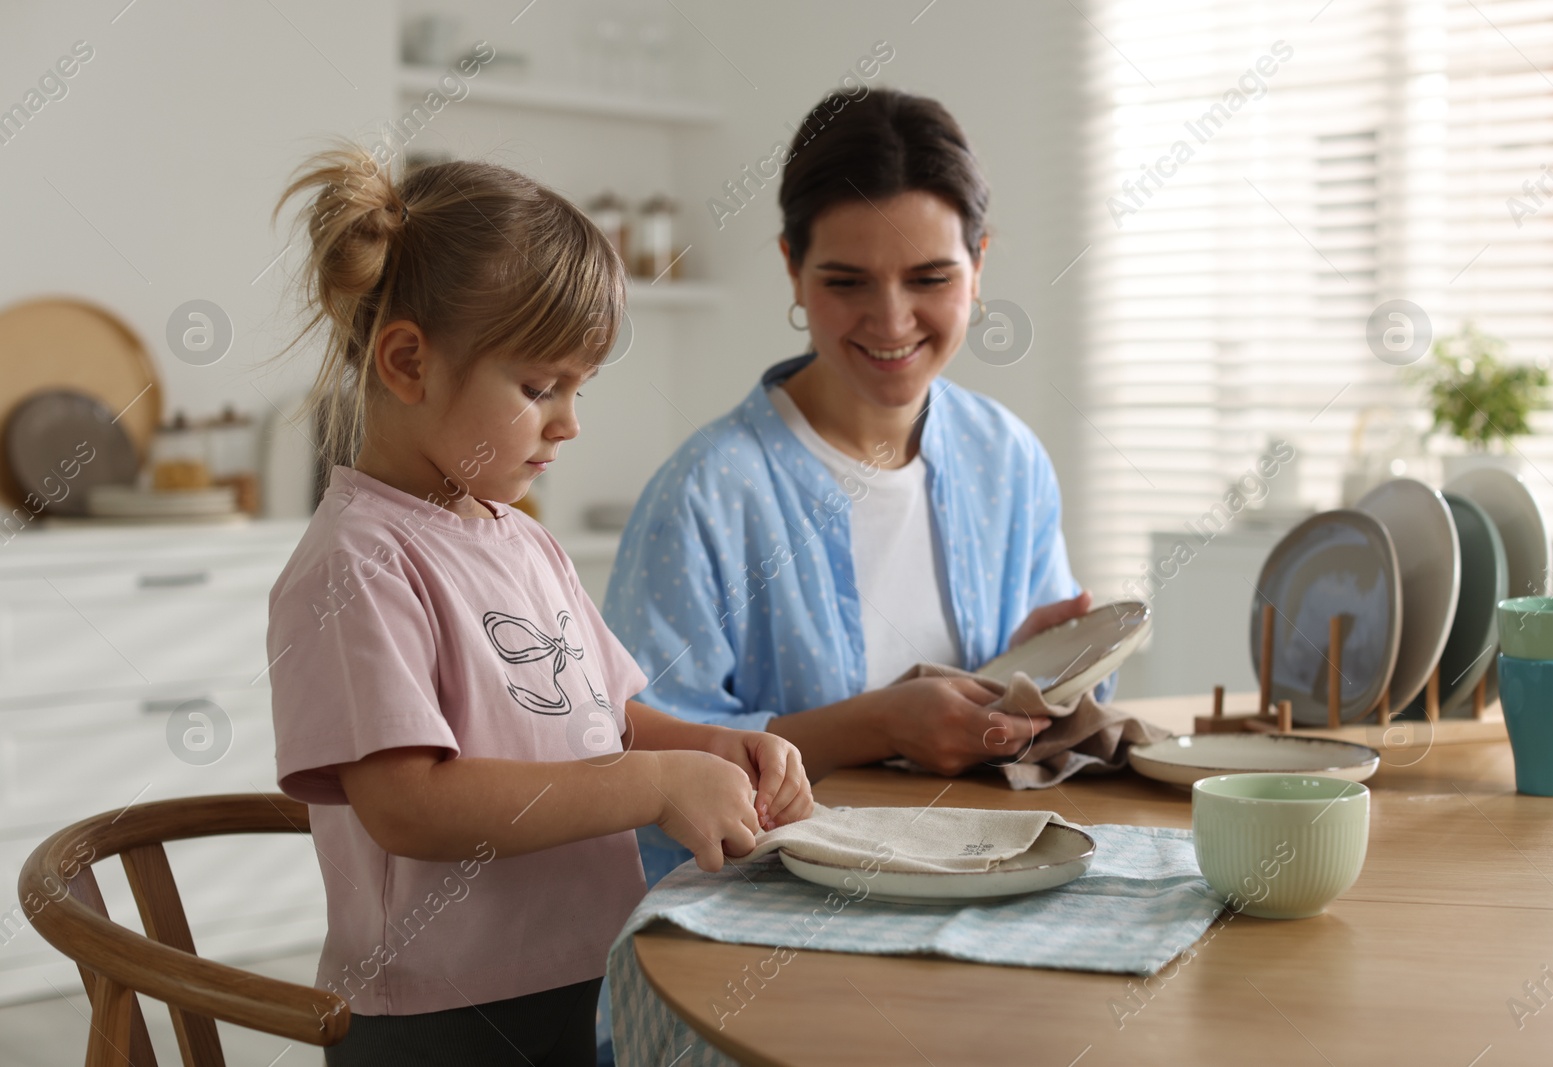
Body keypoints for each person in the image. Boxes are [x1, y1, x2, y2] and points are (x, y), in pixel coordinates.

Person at [264, 143, 812, 1067]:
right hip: (437, 1011)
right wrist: (656, 786)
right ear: (407, 361)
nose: (569, 421)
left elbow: (610, 720)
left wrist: (716, 746)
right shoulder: (359, 561)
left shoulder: (521, 536)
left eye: (578, 388)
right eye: (538, 386)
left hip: (569, 967)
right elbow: (408, 804)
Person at [603, 87, 1108, 886]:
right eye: (847, 282)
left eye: (930, 277)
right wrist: (879, 725)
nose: (892, 318)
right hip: (762, 914)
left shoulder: (1005, 459)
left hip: (989, 880)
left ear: (979, 267)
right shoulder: (708, 491)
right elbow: (635, 743)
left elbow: (1031, 723)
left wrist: (1038, 663)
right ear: (793, 271)